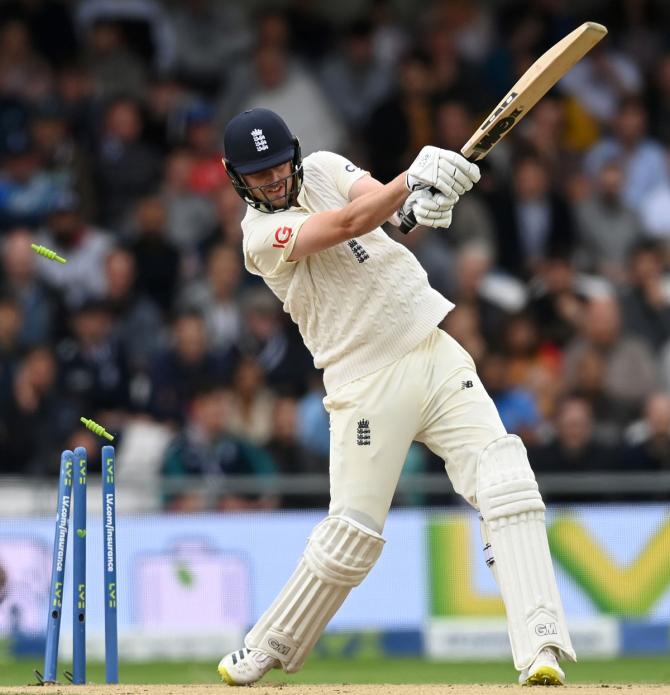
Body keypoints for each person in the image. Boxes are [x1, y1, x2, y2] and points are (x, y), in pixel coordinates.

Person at [217, 108, 575, 686]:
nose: (273, 181)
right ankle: (268, 646)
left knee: (506, 481)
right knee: (351, 537)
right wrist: (409, 182)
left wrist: (416, 206)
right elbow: (349, 223)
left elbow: (374, 202)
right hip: (363, 382)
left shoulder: (327, 166)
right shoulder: (258, 237)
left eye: (278, 167)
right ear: (236, 177)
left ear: (296, 153)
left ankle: (542, 648)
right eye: (257, 176)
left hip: (432, 349)